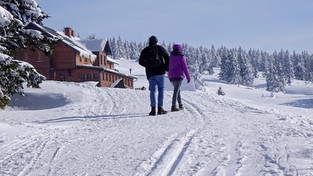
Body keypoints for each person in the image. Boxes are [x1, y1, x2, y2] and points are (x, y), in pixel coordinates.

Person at [139, 36, 170, 116]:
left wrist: (147, 65)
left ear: (149, 42)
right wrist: (166, 68)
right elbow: (167, 57)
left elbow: (140, 61)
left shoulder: (145, 50)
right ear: (156, 41)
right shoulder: (160, 48)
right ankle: (160, 109)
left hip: (151, 74)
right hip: (160, 72)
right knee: (161, 90)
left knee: (153, 91)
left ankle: (153, 110)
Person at [168, 44, 191, 112]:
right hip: (179, 75)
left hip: (171, 76)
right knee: (176, 91)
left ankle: (180, 104)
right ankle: (173, 105)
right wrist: (188, 77)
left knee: (177, 90)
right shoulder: (181, 57)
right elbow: (185, 68)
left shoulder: (170, 57)